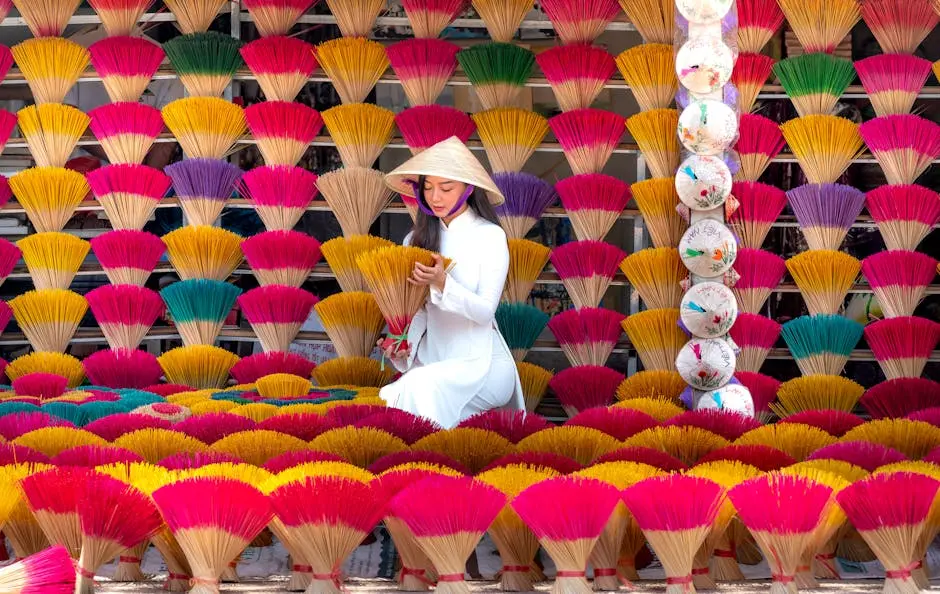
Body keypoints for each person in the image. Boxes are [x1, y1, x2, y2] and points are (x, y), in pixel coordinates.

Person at [378, 136, 525, 429]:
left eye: (446, 188)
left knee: (419, 387)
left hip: (483, 367)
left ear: (468, 189)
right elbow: (420, 314)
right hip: (433, 364)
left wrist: (444, 283)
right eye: (428, 187)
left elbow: (485, 312)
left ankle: (431, 464)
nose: (435, 197)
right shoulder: (415, 241)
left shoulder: (489, 237)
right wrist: (402, 345)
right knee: (411, 389)